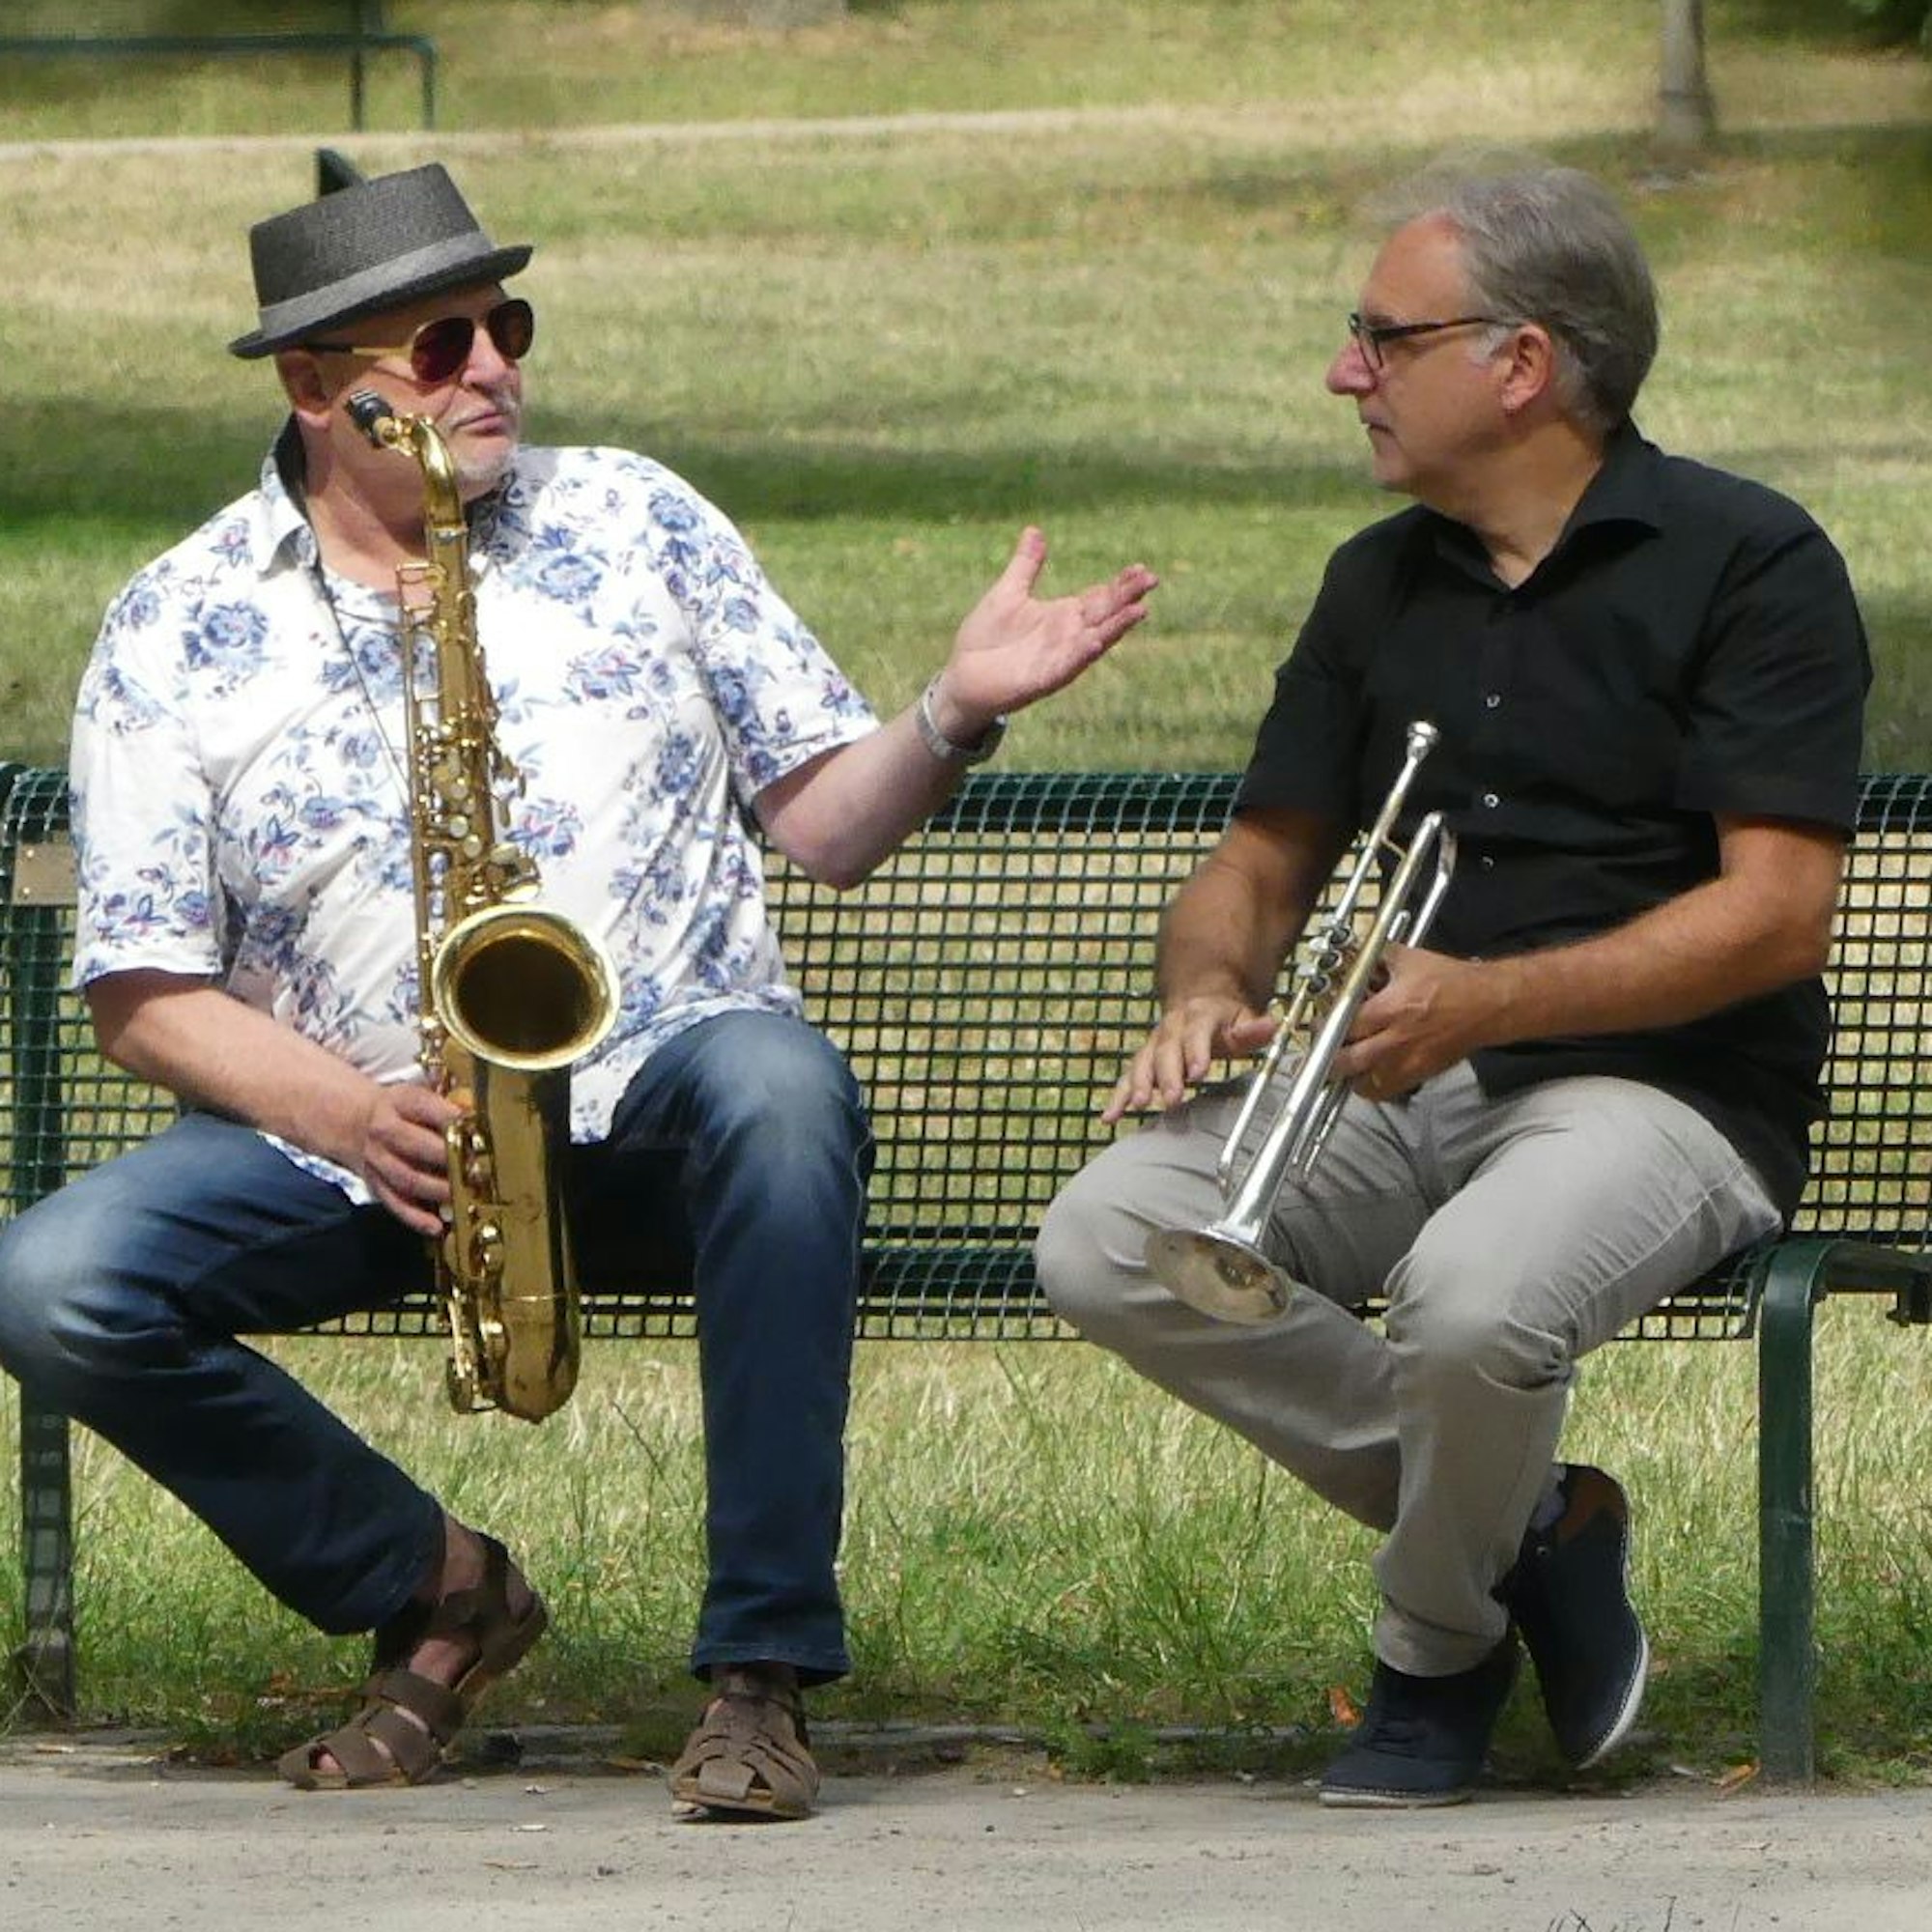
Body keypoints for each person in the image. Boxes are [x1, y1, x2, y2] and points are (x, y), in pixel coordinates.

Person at [0, 158, 1155, 1815]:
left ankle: (761, 1673)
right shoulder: (176, 622)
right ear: (319, 388)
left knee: (778, 1084)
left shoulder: (635, 514)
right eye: (441, 344)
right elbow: (142, 996)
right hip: (367, 1148)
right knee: (50, 1281)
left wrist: (954, 711)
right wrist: (349, 1112)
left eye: (504, 325)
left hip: (659, 1114)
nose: (494, 371)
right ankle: (438, 1591)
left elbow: (826, 829)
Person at [1034, 162, 1868, 1807]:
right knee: (1108, 1239)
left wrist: (1490, 1005)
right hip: (1397, 1068)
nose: (1347, 373)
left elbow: (1776, 919)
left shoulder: (1750, 561)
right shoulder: (1376, 580)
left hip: (1668, 1091)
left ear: (1523, 364)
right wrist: (1203, 987)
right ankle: (1534, 1524)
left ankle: (1434, 1649)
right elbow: (1260, 866)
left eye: (1381, 338)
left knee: (1471, 1307)